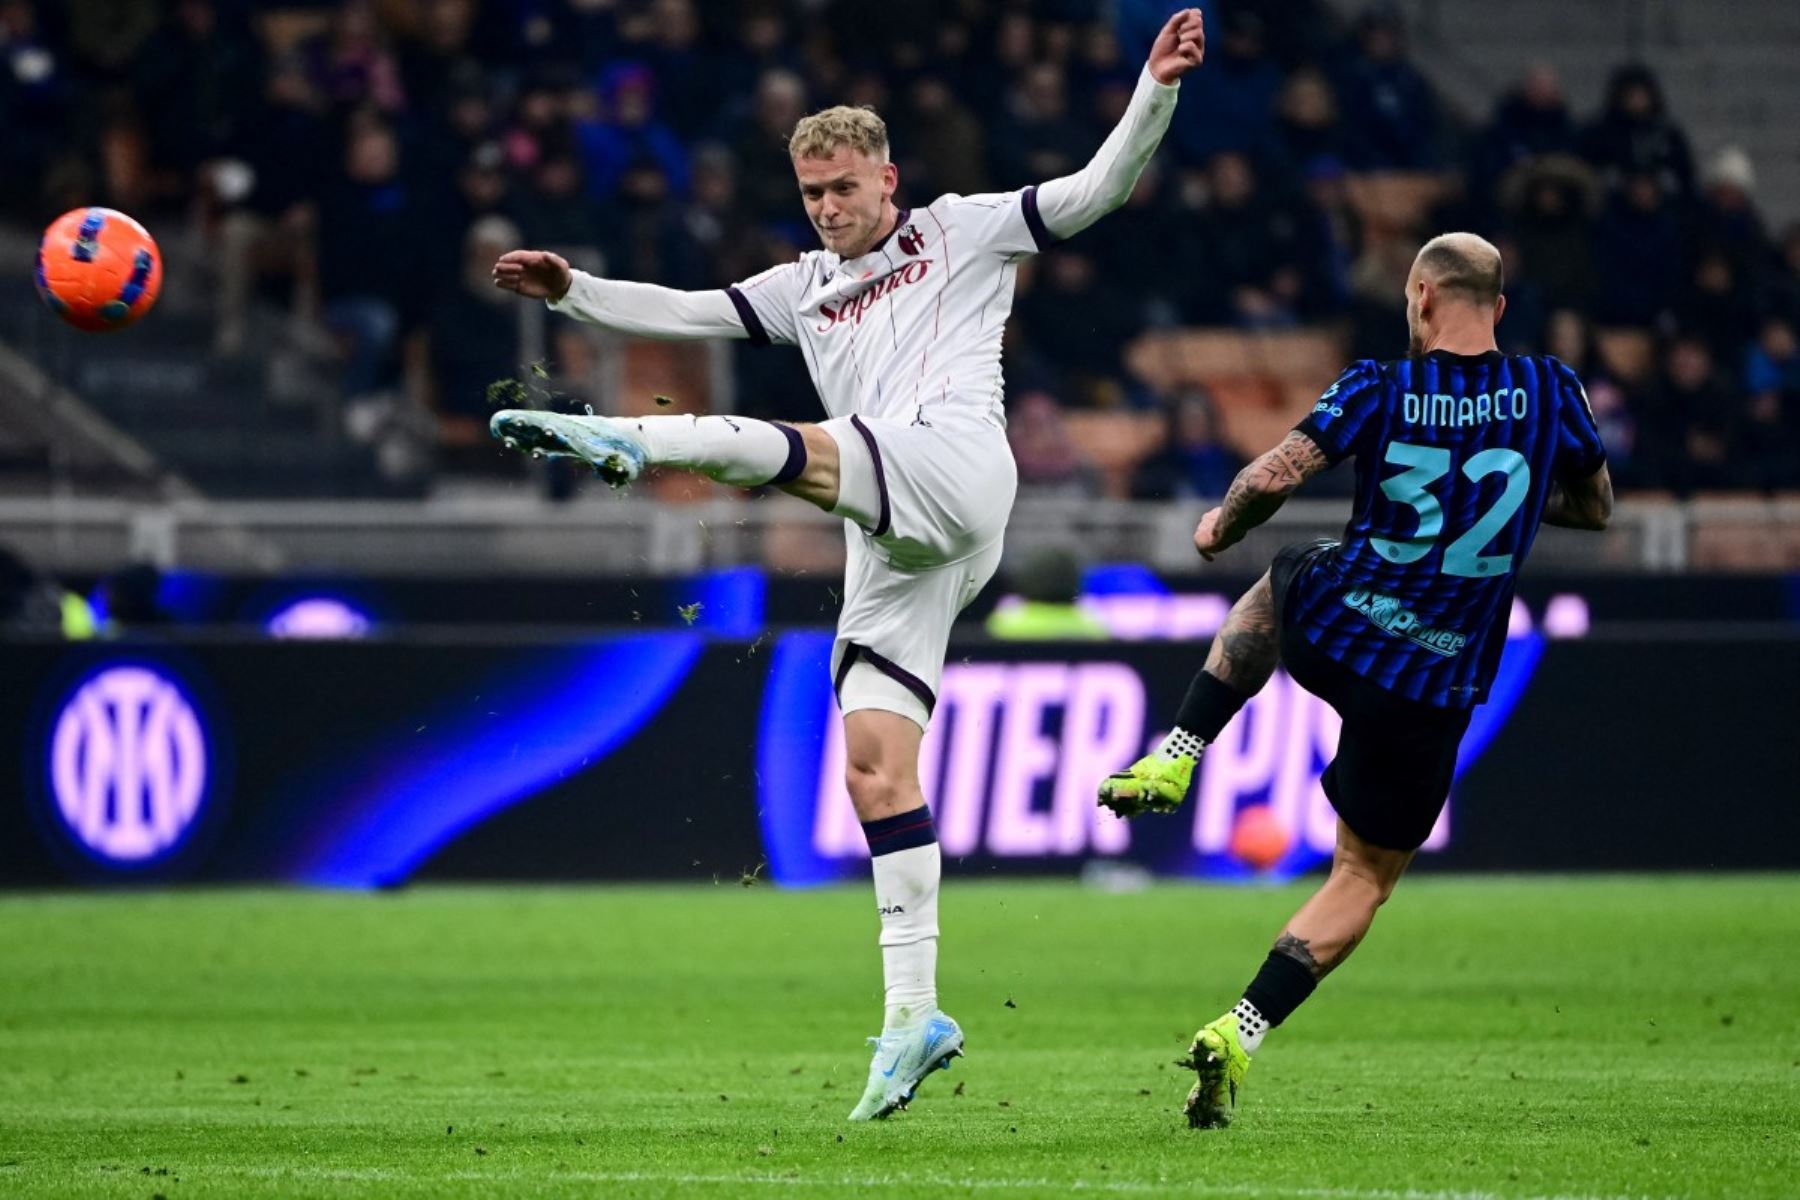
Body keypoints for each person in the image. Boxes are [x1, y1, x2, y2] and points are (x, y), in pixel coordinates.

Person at [489, 10, 1207, 1124]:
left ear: (889, 179)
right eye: (812, 193)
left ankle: (633, 440)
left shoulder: (963, 230)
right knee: (874, 766)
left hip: (959, 466)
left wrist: (1153, 87)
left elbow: (1093, 192)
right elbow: (689, 309)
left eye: (844, 189)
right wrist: (573, 289)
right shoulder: (801, 285)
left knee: (794, 450)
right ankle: (913, 1017)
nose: (828, 209)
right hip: (894, 530)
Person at [1097, 233, 1612, 1128]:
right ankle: (1242, 1028)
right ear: (1496, 307)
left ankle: (1178, 753)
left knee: (1284, 573)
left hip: (1348, 627)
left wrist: (1221, 524)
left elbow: (1275, 474)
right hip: (1440, 679)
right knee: (1362, 879)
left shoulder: (1381, 385)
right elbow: (1596, 507)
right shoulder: (1551, 391)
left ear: (1420, 297)